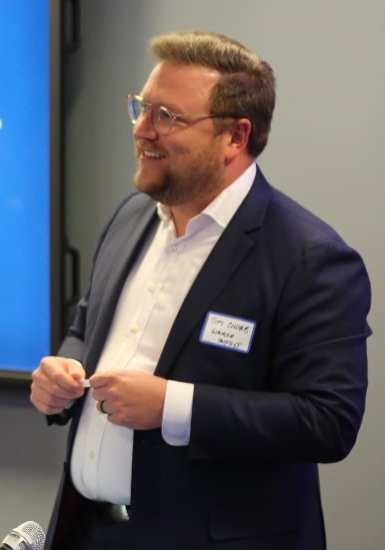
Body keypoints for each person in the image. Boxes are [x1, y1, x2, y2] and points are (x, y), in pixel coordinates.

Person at [30, 31, 371, 550]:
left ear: (235, 137)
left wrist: (173, 406)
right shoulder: (130, 218)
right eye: (142, 108)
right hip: (88, 530)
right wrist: (62, 375)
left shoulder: (309, 257)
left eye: (167, 117)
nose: (142, 130)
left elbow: (328, 421)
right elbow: (85, 330)